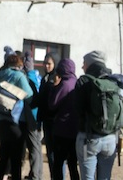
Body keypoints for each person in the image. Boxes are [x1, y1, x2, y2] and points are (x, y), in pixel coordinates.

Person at [74, 50, 118, 180]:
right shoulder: (113, 80)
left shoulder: (83, 81)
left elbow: (78, 108)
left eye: (84, 63)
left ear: (89, 64)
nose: (82, 66)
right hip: (110, 138)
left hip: (89, 138)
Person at [0, 53, 33, 180]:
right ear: (19, 64)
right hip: (15, 121)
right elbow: (29, 95)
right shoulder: (18, 76)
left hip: (0, 120)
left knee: (3, 155)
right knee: (16, 158)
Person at [49, 58, 80, 180]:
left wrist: (54, 87)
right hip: (75, 129)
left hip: (62, 129)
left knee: (58, 162)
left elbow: (53, 104)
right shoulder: (77, 83)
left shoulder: (64, 84)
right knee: (73, 164)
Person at [37, 52, 62, 180]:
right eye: (45, 63)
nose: (46, 66)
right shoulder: (45, 78)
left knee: (55, 155)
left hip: (55, 121)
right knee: (50, 153)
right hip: (46, 120)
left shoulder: (57, 79)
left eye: (49, 63)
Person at [22, 51, 43, 180]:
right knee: (37, 147)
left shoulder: (29, 79)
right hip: (37, 117)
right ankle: (37, 174)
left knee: (34, 148)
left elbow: (31, 99)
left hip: (32, 117)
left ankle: (35, 176)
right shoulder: (37, 76)